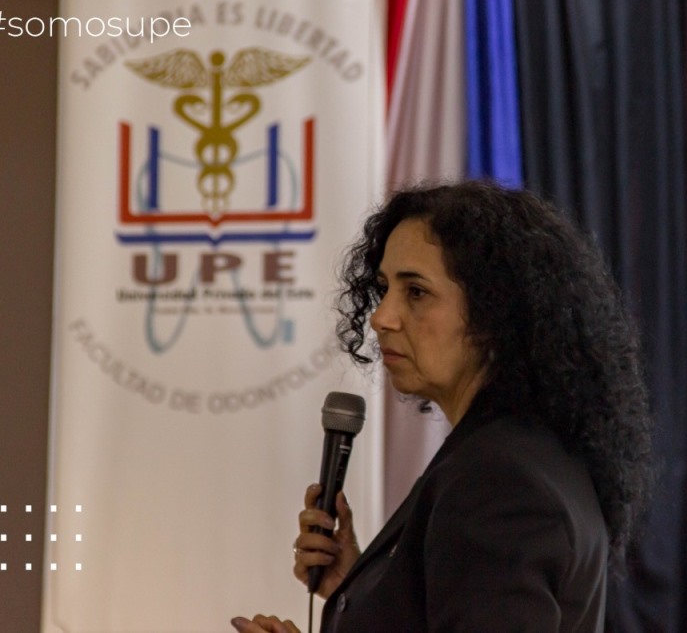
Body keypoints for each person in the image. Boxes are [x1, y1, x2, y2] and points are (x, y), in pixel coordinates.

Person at [232, 181, 652, 633]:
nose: (381, 317)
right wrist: (362, 591)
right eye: (384, 288)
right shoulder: (530, 453)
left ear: (496, 313)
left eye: (415, 292)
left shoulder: (499, 482)